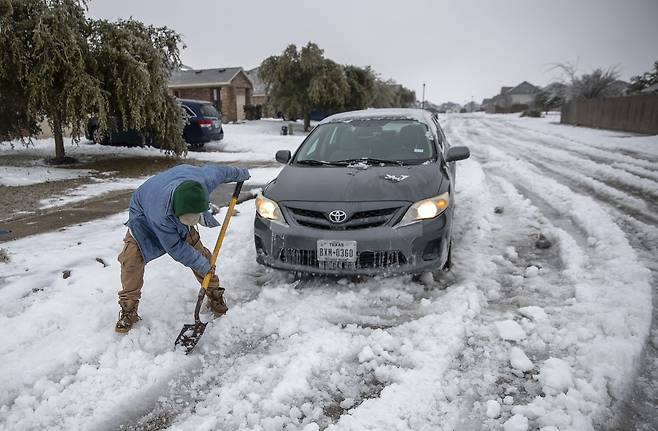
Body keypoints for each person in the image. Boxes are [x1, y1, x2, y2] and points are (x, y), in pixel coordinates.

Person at [115, 163, 250, 333]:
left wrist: (240, 173)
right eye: (185, 220)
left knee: (201, 256)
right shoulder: (160, 214)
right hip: (143, 217)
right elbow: (176, 248)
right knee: (131, 261)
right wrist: (201, 264)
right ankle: (128, 310)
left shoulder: (201, 181)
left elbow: (221, 171)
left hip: (177, 207)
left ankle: (214, 293)